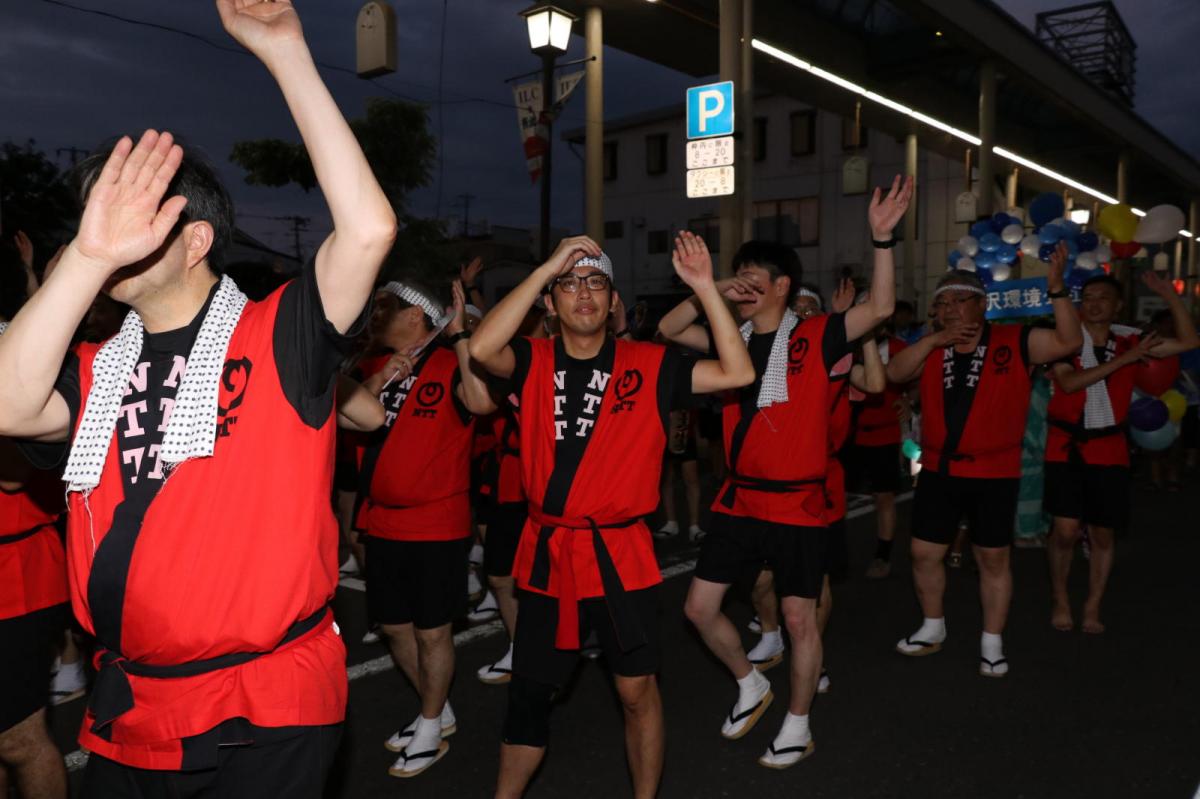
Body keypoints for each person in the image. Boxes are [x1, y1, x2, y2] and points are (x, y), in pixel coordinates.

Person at [0, 1, 398, 793]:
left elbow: (366, 232)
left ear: (197, 239)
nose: (115, 225)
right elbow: (9, 406)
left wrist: (286, 53)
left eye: (142, 213)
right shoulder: (92, 364)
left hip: (266, 704)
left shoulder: (276, 333)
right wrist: (86, 253)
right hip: (131, 705)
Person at [469, 233, 753, 799]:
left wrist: (703, 287)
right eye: (568, 284)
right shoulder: (532, 360)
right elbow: (480, 349)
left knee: (635, 691)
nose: (583, 294)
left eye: (596, 282)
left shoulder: (651, 364)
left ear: (613, 301)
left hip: (621, 556)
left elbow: (739, 374)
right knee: (528, 694)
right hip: (550, 556)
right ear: (549, 304)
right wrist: (547, 263)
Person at [663, 175, 912, 768]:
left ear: (783, 286)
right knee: (698, 609)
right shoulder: (732, 341)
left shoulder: (819, 335)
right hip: (738, 501)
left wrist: (881, 240)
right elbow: (669, 331)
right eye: (739, 275)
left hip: (799, 504)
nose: (745, 286)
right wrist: (710, 287)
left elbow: (878, 308)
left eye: (755, 278)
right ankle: (751, 682)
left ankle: (798, 722)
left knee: (801, 617)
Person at [885, 242, 1082, 677]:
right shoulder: (931, 346)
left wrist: (1057, 291)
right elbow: (895, 375)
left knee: (992, 559)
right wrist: (934, 338)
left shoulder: (1017, 340)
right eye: (942, 303)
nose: (950, 309)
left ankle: (991, 640)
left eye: (960, 300)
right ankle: (932, 625)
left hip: (995, 471)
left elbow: (1069, 340)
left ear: (982, 305)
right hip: (939, 468)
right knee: (922, 552)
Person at [357, 278, 495, 777]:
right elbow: (347, 418)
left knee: (433, 634)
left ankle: (432, 723)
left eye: (387, 310)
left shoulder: (449, 363)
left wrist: (459, 339)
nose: (378, 318)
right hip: (383, 522)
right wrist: (379, 380)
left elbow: (481, 404)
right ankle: (438, 708)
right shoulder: (379, 367)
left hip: (436, 524)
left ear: (416, 316)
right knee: (394, 628)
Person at [1045, 272, 1198, 633]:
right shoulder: (1065, 340)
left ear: (1118, 306)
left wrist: (1169, 296)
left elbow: (1189, 341)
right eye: (1089, 296)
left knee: (1103, 533)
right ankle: (1061, 598)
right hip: (1065, 445)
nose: (1094, 302)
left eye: (1103, 297)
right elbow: (1069, 383)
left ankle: (1093, 604)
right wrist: (1126, 362)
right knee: (1065, 530)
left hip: (1108, 446)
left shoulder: (1131, 340)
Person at [853, 324, 911, 580]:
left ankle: (883, 555)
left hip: (885, 434)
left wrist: (911, 400)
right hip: (849, 434)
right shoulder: (847, 347)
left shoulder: (898, 348)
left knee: (884, 497)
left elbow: (920, 379)